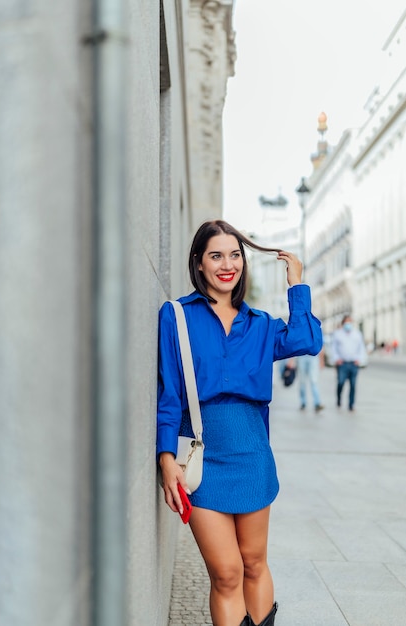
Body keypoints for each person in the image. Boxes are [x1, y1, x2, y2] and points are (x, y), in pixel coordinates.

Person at [157, 220, 322, 626]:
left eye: (235, 255)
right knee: (226, 572)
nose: (227, 265)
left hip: (252, 455)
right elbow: (169, 394)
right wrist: (165, 458)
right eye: (216, 255)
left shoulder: (261, 325)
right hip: (202, 459)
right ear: (199, 263)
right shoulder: (177, 316)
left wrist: (296, 284)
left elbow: (307, 341)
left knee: (253, 563)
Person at [331, 314, 367, 411]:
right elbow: (333, 348)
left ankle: (351, 404)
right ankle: (339, 398)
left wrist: (360, 359)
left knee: (353, 385)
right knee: (341, 382)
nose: (348, 324)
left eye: (350, 322)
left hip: (353, 363)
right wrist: (336, 359)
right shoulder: (338, 334)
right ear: (343, 323)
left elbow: (361, 348)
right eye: (347, 322)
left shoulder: (357, 334)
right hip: (342, 363)